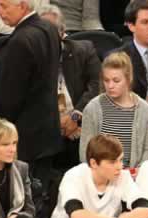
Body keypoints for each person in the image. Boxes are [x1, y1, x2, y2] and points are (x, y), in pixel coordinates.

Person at [0, 0, 62, 192]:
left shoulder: (20, 41)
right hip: (48, 133)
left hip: (23, 140)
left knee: (23, 201)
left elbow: (8, 99)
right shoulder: (50, 29)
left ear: (22, 6)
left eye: (4, 6)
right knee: (41, 197)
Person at [39, 4, 101, 170]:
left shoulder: (84, 50)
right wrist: (54, 121)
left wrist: (75, 117)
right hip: (47, 128)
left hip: (81, 123)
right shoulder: (31, 59)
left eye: (50, 33)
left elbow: (97, 85)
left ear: (62, 33)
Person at [80, 52, 148, 168]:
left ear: (128, 79)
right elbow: (85, 152)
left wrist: (136, 174)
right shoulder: (93, 108)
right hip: (101, 174)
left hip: (134, 176)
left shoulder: (145, 110)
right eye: (106, 80)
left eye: (116, 81)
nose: (110, 86)